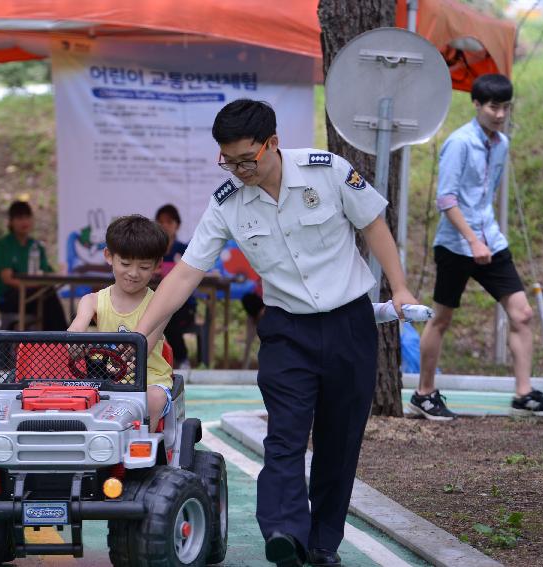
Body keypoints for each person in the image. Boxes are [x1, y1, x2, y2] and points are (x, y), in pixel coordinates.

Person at [135, 99, 417, 567]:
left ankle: (323, 544)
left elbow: (373, 225)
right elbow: (185, 274)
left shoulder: (327, 172)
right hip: (287, 330)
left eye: (248, 158)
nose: (239, 169)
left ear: (273, 143)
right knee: (285, 436)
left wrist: (401, 287)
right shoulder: (227, 203)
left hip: (350, 323)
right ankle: (285, 530)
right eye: (229, 160)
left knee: (338, 441)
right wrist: (143, 335)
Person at [412, 74, 543, 420]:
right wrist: (471, 238)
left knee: (522, 313)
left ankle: (524, 393)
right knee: (441, 319)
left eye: (505, 107)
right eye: (494, 106)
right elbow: (446, 199)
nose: (500, 114)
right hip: (455, 244)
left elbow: (485, 195)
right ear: (477, 105)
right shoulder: (459, 143)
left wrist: (484, 237)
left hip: (491, 242)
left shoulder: (502, 144)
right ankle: (423, 393)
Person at [68, 215, 173, 432]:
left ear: (157, 265)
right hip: (101, 380)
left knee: (153, 398)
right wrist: (76, 339)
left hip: (147, 379)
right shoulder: (92, 301)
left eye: (144, 267)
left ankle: (141, 447)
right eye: (125, 263)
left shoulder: (160, 305)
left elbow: (142, 352)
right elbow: (77, 330)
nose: (133, 273)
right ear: (108, 256)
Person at [0, 200, 68, 331]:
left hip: (35, 295)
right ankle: (61, 342)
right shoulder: (3, 245)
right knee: (47, 300)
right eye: (19, 218)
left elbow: (46, 273)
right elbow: (7, 279)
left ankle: (57, 343)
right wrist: (36, 285)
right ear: (11, 222)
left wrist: (59, 274)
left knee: (47, 299)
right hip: (9, 297)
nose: (24, 222)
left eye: (27, 217)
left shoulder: (36, 246)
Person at [155, 204, 197, 368]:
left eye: (169, 222)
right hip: (157, 300)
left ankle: (181, 359)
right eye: (161, 222)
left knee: (169, 317)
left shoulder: (184, 249)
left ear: (177, 225)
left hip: (182, 304)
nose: (164, 226)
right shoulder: (152, 249)